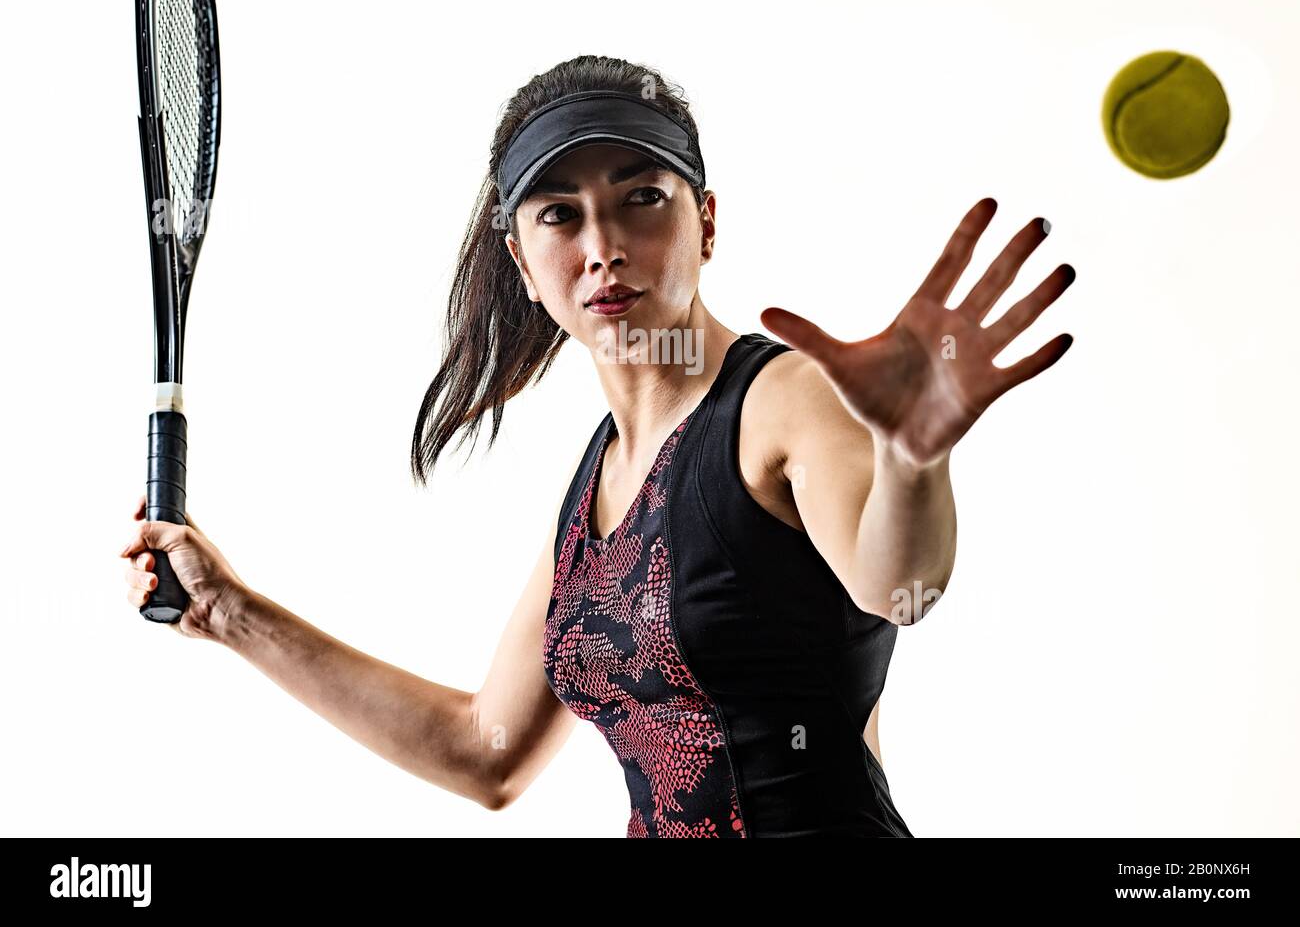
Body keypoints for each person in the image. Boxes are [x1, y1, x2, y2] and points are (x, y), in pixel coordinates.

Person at [121, 54, 1075, 837]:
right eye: (560, 216)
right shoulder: (601, 479)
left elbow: (895, 585)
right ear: (522, 261)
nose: (603, 247)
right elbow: (485, 753)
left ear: (707, 219)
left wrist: (913, 459)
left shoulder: (783, 402)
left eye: (641, 198)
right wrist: (231, 614)